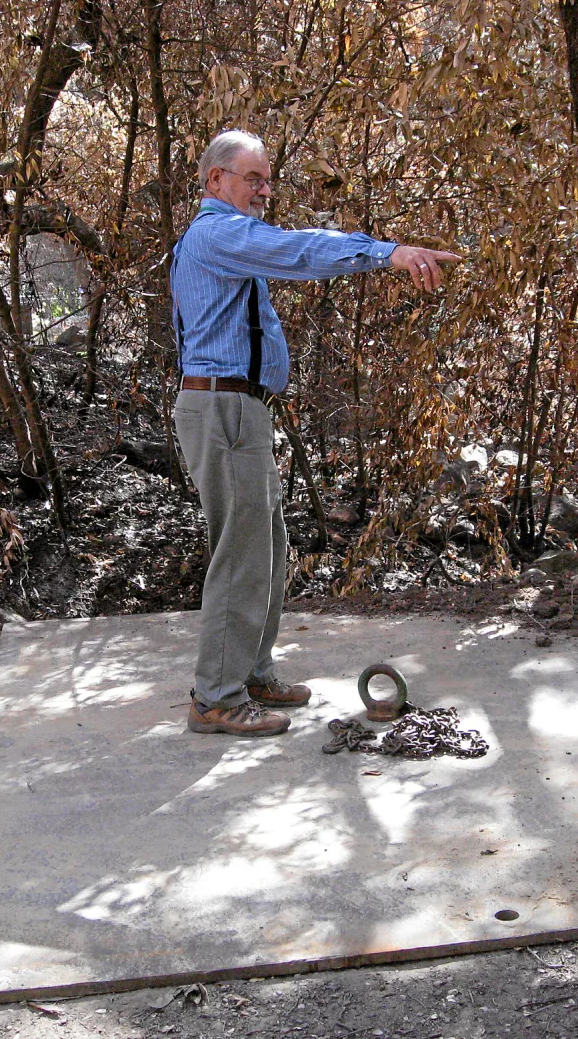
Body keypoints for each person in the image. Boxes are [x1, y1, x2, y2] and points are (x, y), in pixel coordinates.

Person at [171, 129, 461, 737]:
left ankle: (249, 673)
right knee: (242, 554)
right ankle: (215, 698)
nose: (264, 191)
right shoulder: (218, 233)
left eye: (267, 180)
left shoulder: (227, 239)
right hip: (222, 411)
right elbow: (298, 251)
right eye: (253, 179)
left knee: (268, 549)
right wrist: (386, 253)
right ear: (215, 181)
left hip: (240, 411)